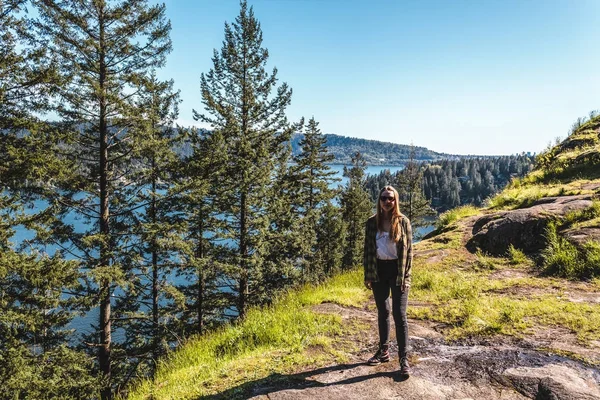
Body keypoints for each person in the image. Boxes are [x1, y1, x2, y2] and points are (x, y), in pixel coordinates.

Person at [364, 185, 413, 377]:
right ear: (379, 200)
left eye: (390, 198)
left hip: (397, 271)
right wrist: (368, 275)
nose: (387, 202)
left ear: (396, 200)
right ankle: (383, 351)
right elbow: (367, 251)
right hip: (378, 271)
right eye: (384, 198)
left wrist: (405, 277)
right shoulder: (371, 222)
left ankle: (403, 358)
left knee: (399, 315)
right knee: (383, 311)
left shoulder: (403, 222)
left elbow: (409, 253)